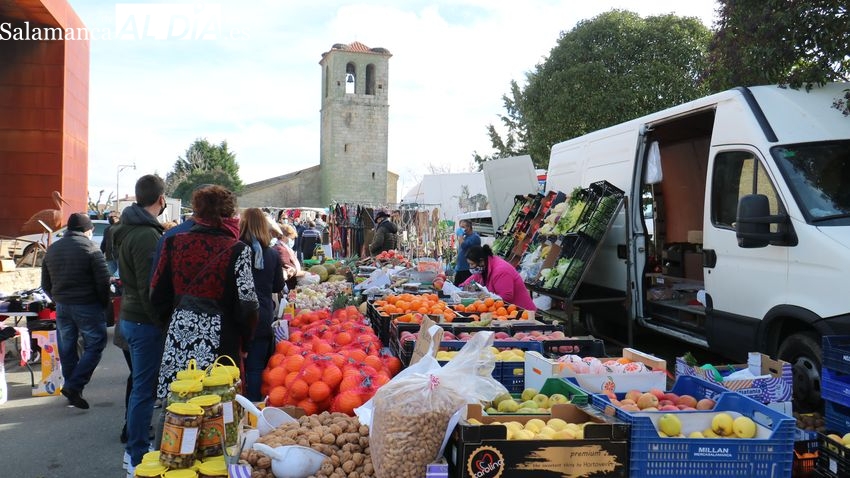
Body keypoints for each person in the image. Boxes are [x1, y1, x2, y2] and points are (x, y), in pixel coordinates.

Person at [150, 185, 259, 401]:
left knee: (178, 404)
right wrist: (246, 342)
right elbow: (248, 305)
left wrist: (171, 324)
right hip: (222, 339)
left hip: (179, 333)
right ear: (229, 213)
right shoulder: (238, 249)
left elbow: (156, 293)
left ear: (197, 212)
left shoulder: (173, 243)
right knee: (217, 406)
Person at [113, 174, 167, 474]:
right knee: (144, 391)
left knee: (141, 388)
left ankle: (134, 450)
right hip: (143, 322)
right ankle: (135, 455)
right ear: (161, 200)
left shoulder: (128, 228)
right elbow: (151, 288)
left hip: (131, 319)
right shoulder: (146, 234)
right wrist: (161, 322)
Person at [41, 212, 111, 409]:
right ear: (87, 230)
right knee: (95, 344)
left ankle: (73, 389)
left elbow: (45, 283)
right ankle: (74, 385)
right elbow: (103, 282)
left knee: (67, 347)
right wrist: (103, 303)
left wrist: (57, 298)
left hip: (62, 306)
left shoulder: (52, 249)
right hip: (87, 304)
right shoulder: (90, 248)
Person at [239, 208, 284, 401]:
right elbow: (278, 286)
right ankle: (255, 411)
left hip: (238, 315)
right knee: (256, 367)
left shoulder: (235, 250)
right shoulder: (272, 255)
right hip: (262, 315)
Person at [460, 245, 537, 311]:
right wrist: (462, 288)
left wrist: (484, 301)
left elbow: (506, 297)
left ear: (481, 261)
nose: (470, 267)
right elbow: (470, 281)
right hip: (506, 311)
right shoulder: (484, 267)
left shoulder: (501, 271)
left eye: (472, 264)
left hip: (523, 313)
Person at [272, 222, 304, 291]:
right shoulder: (281, 249)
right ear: (283, 236)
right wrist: (299, 272)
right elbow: (288, 267)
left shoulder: (282, 247)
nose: (292, 241)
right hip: (288, 285)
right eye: (291, 238)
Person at [453, 219, 481, 286]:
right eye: (460, 227)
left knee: (466, 287)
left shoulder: (475, 237)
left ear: (468, 227)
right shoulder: (466, 237)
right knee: (456, 287)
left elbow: (464, 246)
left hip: (467, 268)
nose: (461, 229)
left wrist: (460, 236)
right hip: (460, 268)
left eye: (463, 227)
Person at [101, 211, 120, 276]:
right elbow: (104, 242)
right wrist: (101, 253)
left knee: (118, 275)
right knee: (110, 275)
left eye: (112, 216)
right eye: (109, 217)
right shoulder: (107, 229)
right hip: (109, 257)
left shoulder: (123, 228)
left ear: (118, 218)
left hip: (120, 256)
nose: (110, 218)